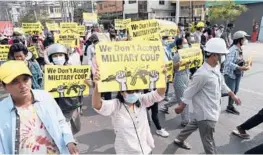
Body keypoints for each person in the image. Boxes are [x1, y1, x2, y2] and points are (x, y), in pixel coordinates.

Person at [173, 38, 241, 154]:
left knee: (195, 123)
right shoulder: (202, 74)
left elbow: (222, 83)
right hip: (207, 114)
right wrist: (181, 106)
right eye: (222, 54)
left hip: (208, 110)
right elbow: (190, 91)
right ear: (214, 55)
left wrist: (232, 95)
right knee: (208, 140)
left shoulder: (216, 67)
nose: (224, 57)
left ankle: (179, 139)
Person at [0, 60, 78, 154]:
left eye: (25, 79)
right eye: (14, 82)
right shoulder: (2, 110)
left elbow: (60, 121)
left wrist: (69, 141)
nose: (22, 85)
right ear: (4, 86)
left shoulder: (45, 97)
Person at [90, 66, 167, 154]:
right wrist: (97, 86)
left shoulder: (142, 100)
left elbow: (159, 94)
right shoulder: (116, 105)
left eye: (136, 91)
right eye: (130, 92)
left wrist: (162, 78)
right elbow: (97, 105)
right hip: (126, 151)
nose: (134, 94)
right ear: (121, 92)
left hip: (146, 150)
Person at [46, 44, 83, 134]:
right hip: (58, 107)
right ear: (51, 58)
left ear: (65, 57)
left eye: (60, 55)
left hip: (73, 105)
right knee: (64, 131)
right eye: (55, 56)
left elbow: (80, 88)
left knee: (76, 128)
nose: (58, 58)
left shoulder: (73, 70)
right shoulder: (48, 73)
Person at [223, 31, 250, 115]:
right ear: (239, 39)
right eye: (244, 38)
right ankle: (212, 96)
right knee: (228, 91)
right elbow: (228, 63)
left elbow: (238, 60)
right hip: (230, 73)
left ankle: (230, 106)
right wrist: (239, 67)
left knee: (235, 90)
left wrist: (246, 63)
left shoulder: (239, 49)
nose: (245, 40)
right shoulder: (232, 50)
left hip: (237, 73)